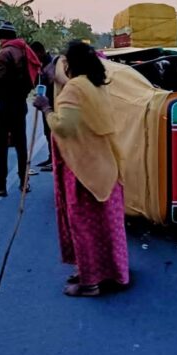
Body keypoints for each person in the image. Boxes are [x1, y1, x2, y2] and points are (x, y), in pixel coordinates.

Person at [33, 41, 129, 297]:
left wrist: (46, 108)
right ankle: (111, 273)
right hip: (105, 164)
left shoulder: (75, 88)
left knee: (84, 227)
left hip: (82, 169)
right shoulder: (96, 84)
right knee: (107, 226)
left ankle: (89, 283)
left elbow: (65, 127)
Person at [0, 22, 41, 197]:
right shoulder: (24, 50)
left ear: (1, 38)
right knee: (21, 145)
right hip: (20, 103)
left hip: (4, 104)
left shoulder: (4, 53)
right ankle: (24, 182)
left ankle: (0, 186)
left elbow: (0, 80)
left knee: (0, 146)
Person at [30, 41, 55, 172]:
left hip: (53, 103)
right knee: (47, 131)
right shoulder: (40, 64)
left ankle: (55, 160)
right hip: (45, 101)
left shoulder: (51, 64)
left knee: (53, 132)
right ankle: (51, 157)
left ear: (40, 52)